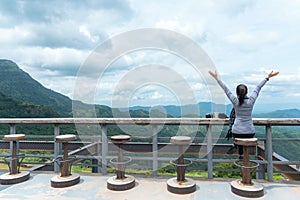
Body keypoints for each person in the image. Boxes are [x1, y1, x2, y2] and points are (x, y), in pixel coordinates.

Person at [208, 70, 279, 158]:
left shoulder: (235, 101)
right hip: (250, 132)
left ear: (237, 93)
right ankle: (241, 153)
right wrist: (267, 77)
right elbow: (258, 88)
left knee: (238, 135)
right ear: (247, 92)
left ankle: (239, 149)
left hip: (236, 132)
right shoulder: (251, 101)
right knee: (245, 135)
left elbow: (226, 90)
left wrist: (217, 78)